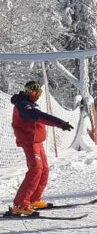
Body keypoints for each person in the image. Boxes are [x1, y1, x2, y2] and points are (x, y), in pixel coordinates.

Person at [9, 81, 73, 216]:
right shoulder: (23, 105)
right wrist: (60, 123)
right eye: (34, 92)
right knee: (36, 170)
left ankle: (33, 199)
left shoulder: (29, 104)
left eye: (39, 93)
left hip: (37, 142)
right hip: (29, 142)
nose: (37, 95)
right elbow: (39, 116)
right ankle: (20, 204)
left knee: (44, 170)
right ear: (27, 91)